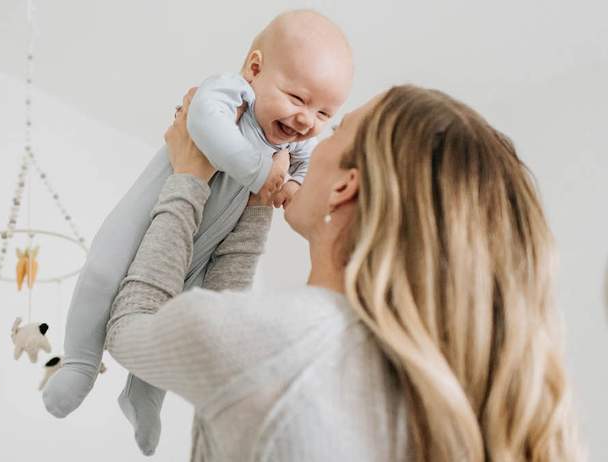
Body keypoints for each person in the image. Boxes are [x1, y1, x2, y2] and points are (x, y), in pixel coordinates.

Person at [105, 85, 583, 461]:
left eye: (334, 131)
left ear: (344, 186)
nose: (309, 135)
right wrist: (254, 202)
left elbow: (131, 327)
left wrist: (187, 177)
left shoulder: (275, 346)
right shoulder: (440, 394)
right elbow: (235, 327)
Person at [42, 10, 353, 455]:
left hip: (200, 248)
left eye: (324, 112)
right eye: (298, 98)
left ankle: (144, 396)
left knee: (176, 313)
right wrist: (262, 171)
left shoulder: (293, 145)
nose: (307, 120)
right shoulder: (230, 93)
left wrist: (293, 184)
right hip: (147, 218)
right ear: (256, 69)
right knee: (101, 273)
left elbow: (298, 167)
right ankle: (79, 363)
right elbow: (203, 125)